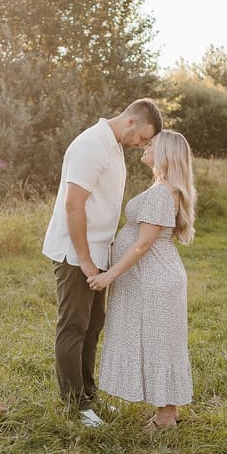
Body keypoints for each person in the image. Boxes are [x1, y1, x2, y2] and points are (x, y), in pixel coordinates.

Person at [42, 99, 163, 427]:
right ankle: (75, 406)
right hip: (75, 252)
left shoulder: (113, 148)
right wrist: (84, 259)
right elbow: (73, 205)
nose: (141, 145)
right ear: (130, 123)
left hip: (98, 252)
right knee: (73, 327)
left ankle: (89, 396)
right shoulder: (90, 145)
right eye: (142, 138)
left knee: (93, 326)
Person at [89, 129, 196, 430]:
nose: (146, 147)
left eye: (152, 144)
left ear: (165, 155)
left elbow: (143, 243)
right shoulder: (162, 188)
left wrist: (110, 274)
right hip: (154, 278)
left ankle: (164, 418)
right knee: (159, 343)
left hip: (155, 280)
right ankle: (168, 410)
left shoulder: (162, 193)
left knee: (159, 345)